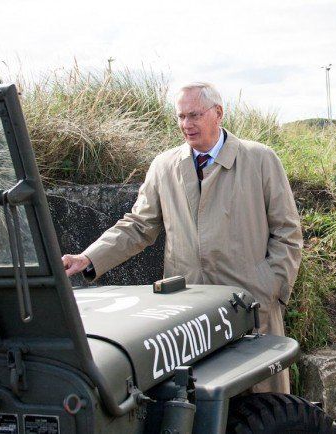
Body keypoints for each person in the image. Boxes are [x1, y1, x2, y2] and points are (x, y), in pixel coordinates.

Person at [62, 82, 303, 393]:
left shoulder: (260, 159)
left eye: (194, 115)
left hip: (249, 302)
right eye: (180, 116)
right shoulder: (164, 166)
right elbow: (138, 225)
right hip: (188, 312)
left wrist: (271, 285)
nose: (186, 124)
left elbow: (287, 230)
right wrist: (89, 257)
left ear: (218, 113)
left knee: (260, 402)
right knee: (198, 402)